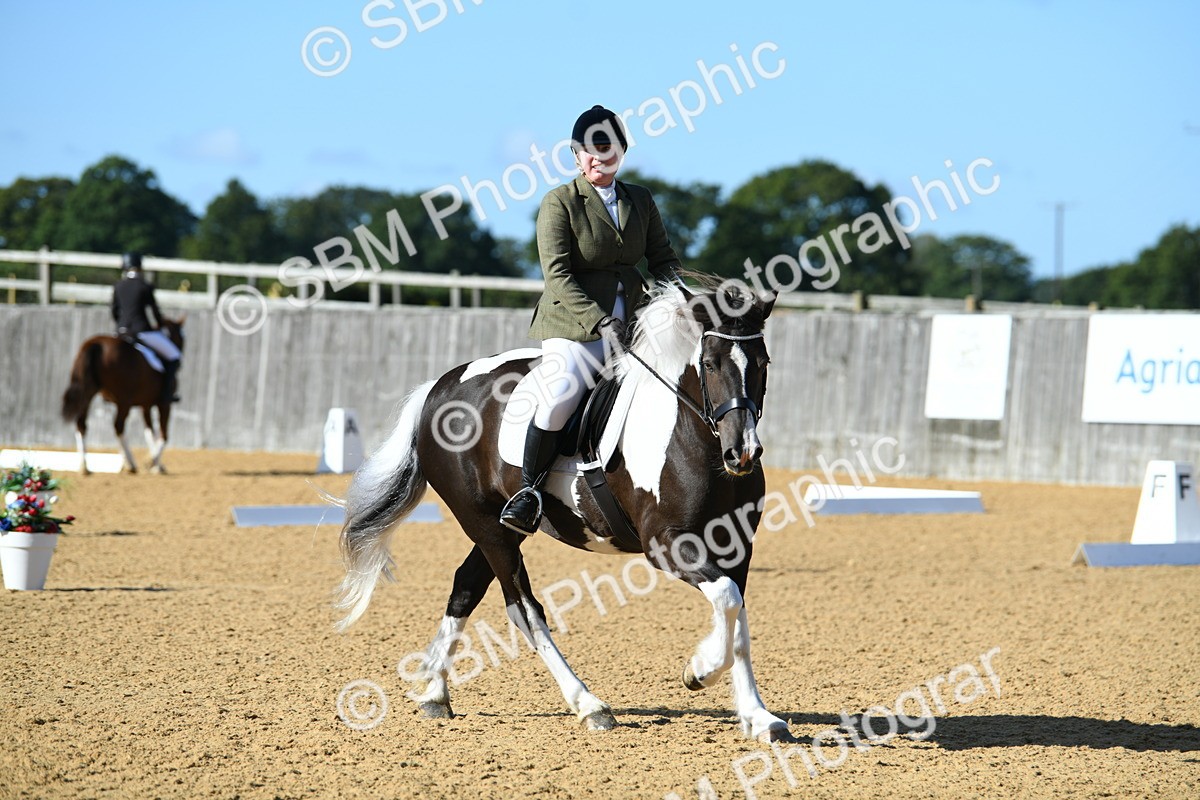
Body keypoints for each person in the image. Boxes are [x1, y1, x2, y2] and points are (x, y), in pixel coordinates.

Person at [499, 105, 683, 535]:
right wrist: (599, 321)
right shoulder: (560, 202)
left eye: (608, 150)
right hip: (575, 324)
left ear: (621, 152)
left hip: (636, 323)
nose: (599, 159)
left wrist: (688, 298)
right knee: (563, 390)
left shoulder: (640, 199)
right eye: (590, 151)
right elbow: (557, 275)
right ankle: (529, 491)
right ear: (576, 155)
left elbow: (663, 260)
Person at [111, 252, 181, 404]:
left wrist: (120, 327)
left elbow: (115, 311)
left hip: (121, 332)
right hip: (142, 331)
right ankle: (166, 394)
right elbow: (154, 312)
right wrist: (160, 326)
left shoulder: (118, 286)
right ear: (140, 267)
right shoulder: (145, 286)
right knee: (174, 356)